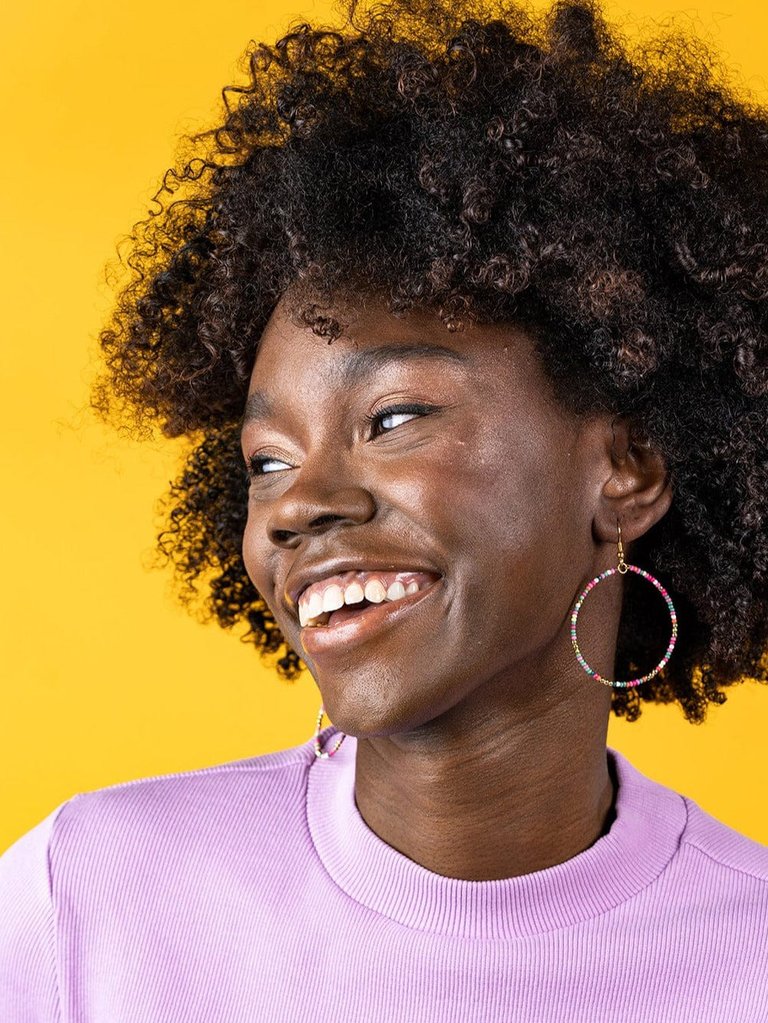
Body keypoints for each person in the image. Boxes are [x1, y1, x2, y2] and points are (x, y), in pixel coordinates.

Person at [2, 0, 767, 1018]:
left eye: (396, 415)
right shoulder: (85, 901)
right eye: (266, 462)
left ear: (625, 467)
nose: (299, 505)